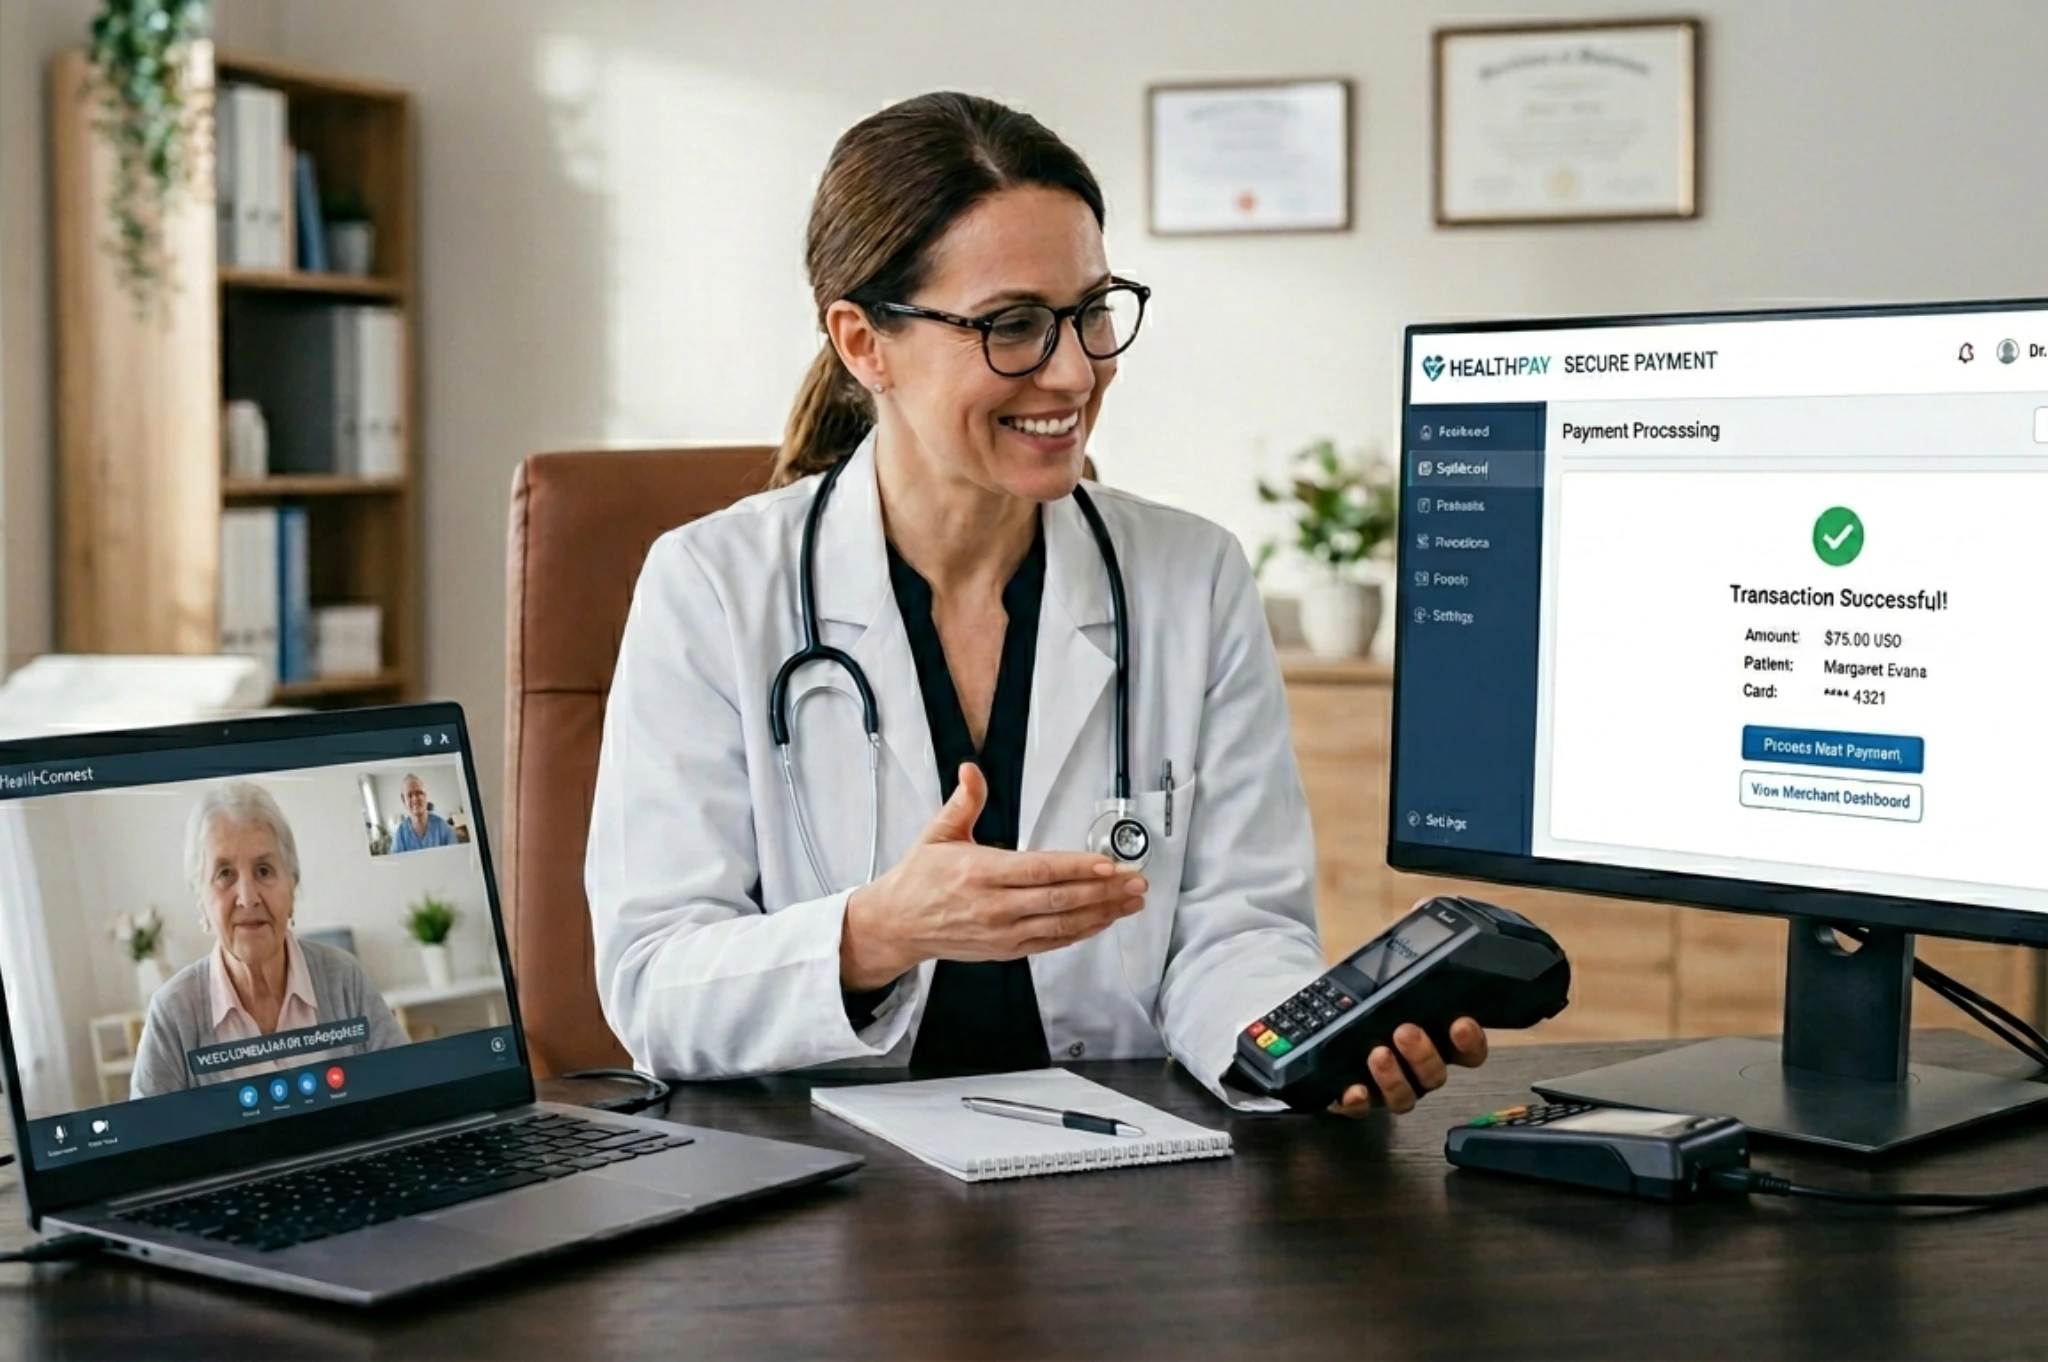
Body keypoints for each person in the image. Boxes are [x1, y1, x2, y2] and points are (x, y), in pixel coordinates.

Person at [586, 92, 1486, 1114]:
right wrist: (877, 932)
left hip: (1118, 1164)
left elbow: (1236, 932)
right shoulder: (710, 587)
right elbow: (653, 985)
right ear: (863, 342)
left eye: (1091, 312)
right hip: (827, 1176)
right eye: (1012, 325)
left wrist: (1304, 1045)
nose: (1074, 371)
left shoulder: (1190, 577)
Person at [131, 781, 409, 1098]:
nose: (248, 898)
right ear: (201, 898)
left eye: (264, 871)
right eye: (224, 874)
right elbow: (149, 1128)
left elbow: (406, 1094)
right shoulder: (172, 1014)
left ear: (292, 886)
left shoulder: (345, 979)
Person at [390, 773, 456, 853]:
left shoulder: (443, 827)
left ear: (426, 796)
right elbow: (396, 859)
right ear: (403, 800)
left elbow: (455, 855)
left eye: (419, 793)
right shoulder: (400, 834)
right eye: (410, 795)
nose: (415, 799)